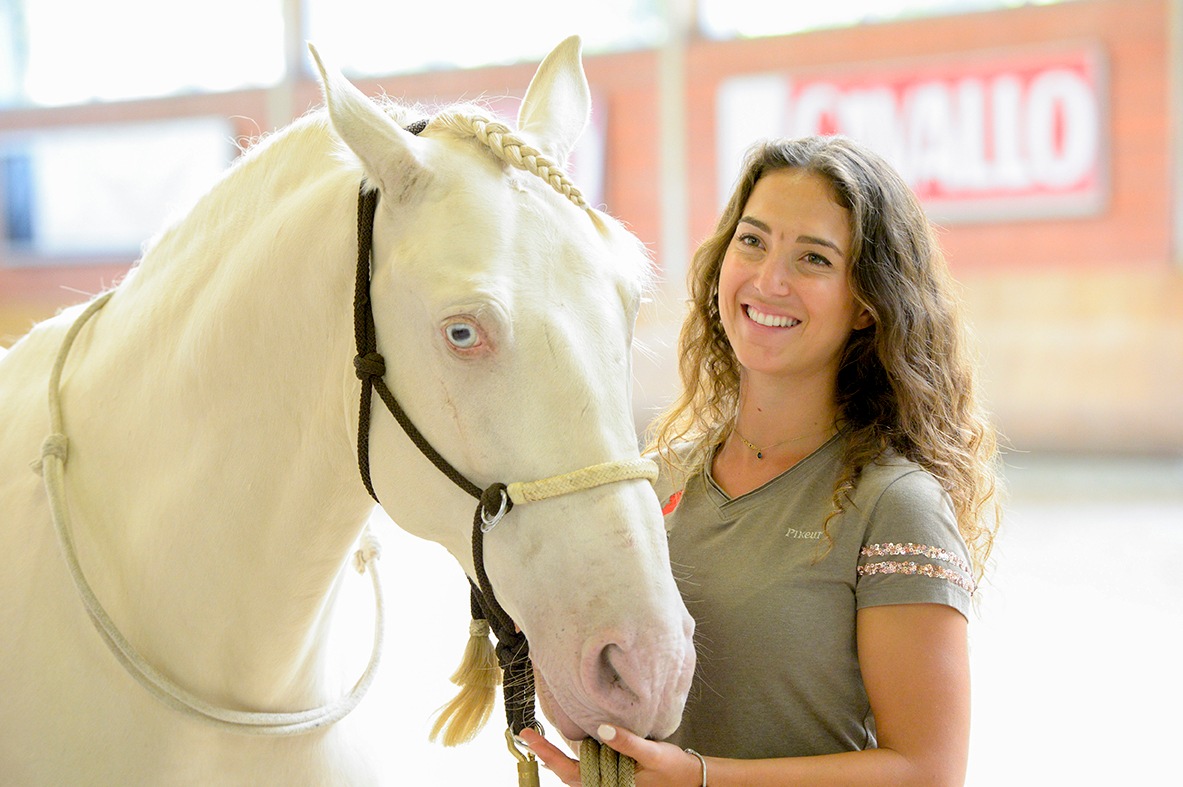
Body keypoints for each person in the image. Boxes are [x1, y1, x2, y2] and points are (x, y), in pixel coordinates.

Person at [520, 134, 1000, 785]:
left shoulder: (894, 503)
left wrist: (699, 779)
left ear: (866, 303)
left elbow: (927, 770)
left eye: (812, 258)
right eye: (752, 241)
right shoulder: (654, 476)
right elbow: (598, 698)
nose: (769, 279)